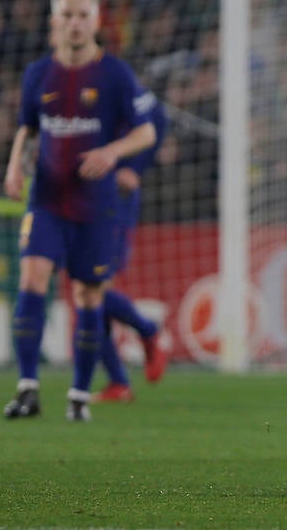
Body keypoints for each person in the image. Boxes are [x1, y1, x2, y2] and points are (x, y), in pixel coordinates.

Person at [2, 0, 157, 422]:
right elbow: (28, 127)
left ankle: (79, 396)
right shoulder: (38, 73)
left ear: (95, 20)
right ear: (54, 21)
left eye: (82, 15)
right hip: (47, 198)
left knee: (88, 295)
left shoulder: (114, 74)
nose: (74, 23)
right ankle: (28, 387)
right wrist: (15, 166)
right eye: (66, 15)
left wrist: (110, 152)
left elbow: (145, 132)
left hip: (95, 205)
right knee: (31, 279)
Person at [92, 95, 168, 403]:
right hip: (81, 195)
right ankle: (119, 383)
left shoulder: (120, 81)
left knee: (92, 291)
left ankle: (148, 331)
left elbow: (156, 116)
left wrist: (135, 166)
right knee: (88, 296)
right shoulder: (66, 83)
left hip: (112, 196)